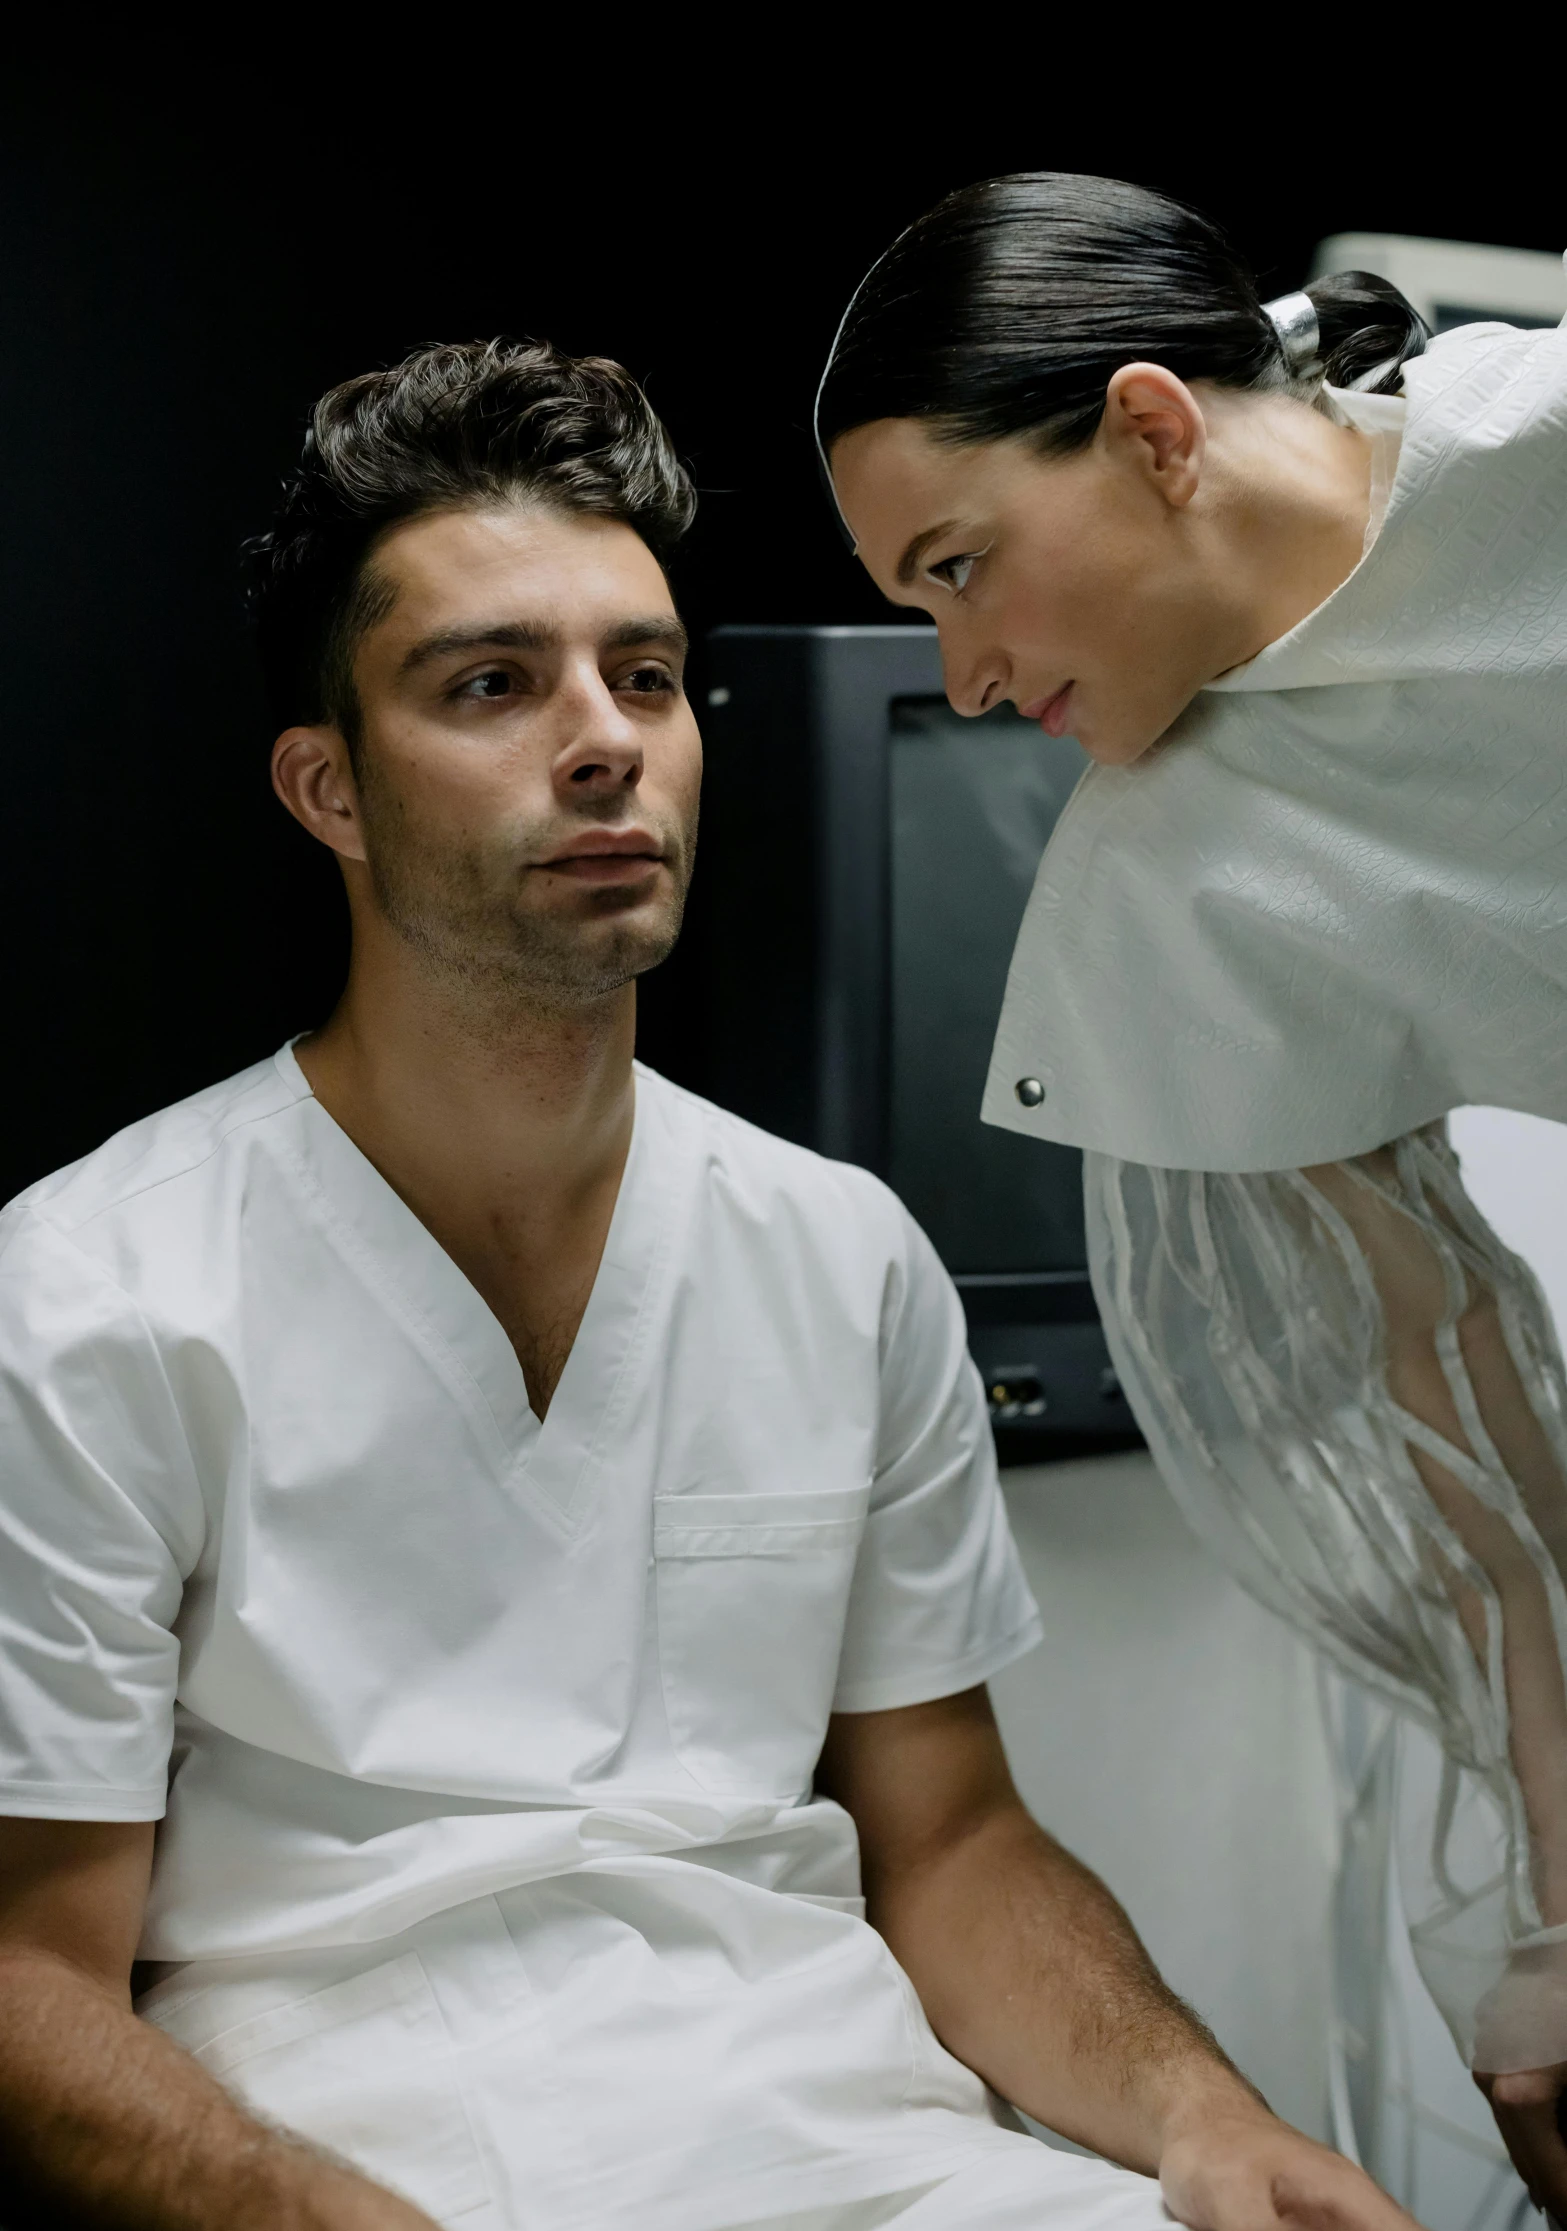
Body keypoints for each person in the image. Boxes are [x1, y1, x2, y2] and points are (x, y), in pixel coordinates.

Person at [0, 338, 1416, 2231]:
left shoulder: (836, 1256)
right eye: (492, 682)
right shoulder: (95, 1289)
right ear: (328, 788)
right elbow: (28, 1975)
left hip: (869, 2154)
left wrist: (1199, 2120)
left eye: (644, 676)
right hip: (377, 2169)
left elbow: (957, 1845)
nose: (603, 737)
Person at [815, 169, 1567, 2213]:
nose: (962, 671)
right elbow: (1494, 1496)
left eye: (961, 565)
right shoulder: (1177, 887)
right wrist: (1556, 1948)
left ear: (1151, 429)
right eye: (918, 609)